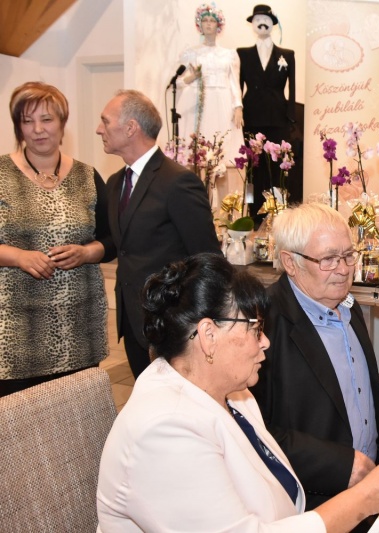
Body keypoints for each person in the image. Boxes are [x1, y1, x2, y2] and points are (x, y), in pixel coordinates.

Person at [97, 253, 379, 532]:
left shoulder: (230, 392)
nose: (265, 342)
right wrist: (365, 500)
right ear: (208, 335)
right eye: (255, 328)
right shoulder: (164, 431)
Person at [248, 203, 379, 530]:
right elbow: (252, 430)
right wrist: (341, 465)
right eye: (328, 259)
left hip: (371, 489)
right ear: (290, 262)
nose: (344, 269)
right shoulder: (263, 324)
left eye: (349, 255)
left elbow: (369, 399)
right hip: (313, 504)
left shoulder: (348, 307)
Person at [96, 89, 220, 379]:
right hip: (132, 321)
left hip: (170, 324)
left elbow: (208, 259)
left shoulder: (177, 182)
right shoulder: (115, 182)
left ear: (130, 128)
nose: (99, 129)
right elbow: (122, 245)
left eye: (106, 121)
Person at [0, 82, 110, 397]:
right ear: (18, 127)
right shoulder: (1, 173)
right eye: (28, 121)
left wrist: (87, 253)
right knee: (18, 419)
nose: (38, 129)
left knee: (78, 414)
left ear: (62, 123)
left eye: (47, 119)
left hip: (79, 327)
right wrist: (18, 257)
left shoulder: (88, 176)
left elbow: (112, 239)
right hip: (16, 331)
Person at [238, 4, 298, 213]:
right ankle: (251, 209)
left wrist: (291, 116)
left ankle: (279, 210)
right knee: (252, 167)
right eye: (257, 20)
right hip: (251, 116)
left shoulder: (287, 55)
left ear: (273, 23)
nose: (262, 23)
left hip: (278, 117)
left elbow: (292, 87)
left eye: (266, 19)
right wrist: (238, 110)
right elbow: (238, 86)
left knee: (279, 165)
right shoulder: (242, 54)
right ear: (252, 24)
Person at [176, 2, 244, 161]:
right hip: (198, 101)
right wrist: (192, 77)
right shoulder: (191, 53)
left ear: (218, 25)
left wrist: (238, 106)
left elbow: (235, 83)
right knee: (198, 144)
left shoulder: (229, 55)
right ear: (199, 24)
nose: (208, 23)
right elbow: (177, 82)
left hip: (222, 100)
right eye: (204, 20)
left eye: (212, 20)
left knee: (222, 139)